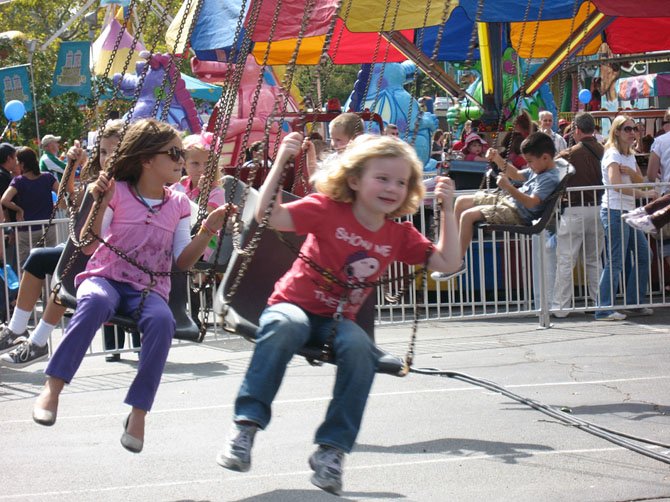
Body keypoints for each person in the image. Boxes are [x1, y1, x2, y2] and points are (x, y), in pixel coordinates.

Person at [216, 132, 461, 495]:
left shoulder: (399, 234)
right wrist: (282, 161)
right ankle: (246, 426)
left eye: (400, 182)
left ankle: (331, 451)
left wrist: (448, 209)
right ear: (354, 180)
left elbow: (448, 261)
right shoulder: (326, 209)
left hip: (337, 324)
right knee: (285, 327)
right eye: (382, 178)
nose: (391, 187)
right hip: (292, 306)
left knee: (362, 351)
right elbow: (270, 217)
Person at [31, 119, 235, 454]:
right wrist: (100, 201)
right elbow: (87, 247)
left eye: (182, 154)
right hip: (105, 277)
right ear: (146, 160)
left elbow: (182, 261)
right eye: (173, 153)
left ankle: (138, 414)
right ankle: (52, 389)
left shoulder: (179, 204)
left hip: (148, 289)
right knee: (94, 303)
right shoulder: (120, 192)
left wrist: (208, 231)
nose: (180, 160)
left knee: (163, 321)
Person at [0, 121, 138, 367]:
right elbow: (71, 199)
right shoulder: (103, 181)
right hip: (90, 249)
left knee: (60, 270)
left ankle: (34, 340)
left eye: (113, 151)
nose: (107, 158)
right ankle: (21, 331)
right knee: (41, 260)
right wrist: (72, 165)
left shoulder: (131, 186)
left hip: (110, 257)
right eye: (103, 152)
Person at [451, 132, 561, 263]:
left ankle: (456, 261)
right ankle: (453, 248)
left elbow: (531, 203)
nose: (529, 165)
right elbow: (515, 174)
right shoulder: (539, 168)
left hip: (517, 213)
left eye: (530, 161)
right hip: (508, 201)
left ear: (545, 158)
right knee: (461, 201)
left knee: (467, 216)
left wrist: (508, 187)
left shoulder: (548, 178)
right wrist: (497, 158)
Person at [595, 115, 654, 321]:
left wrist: (631, 171)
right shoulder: (612, 154)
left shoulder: (628, 154)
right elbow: (616, 185)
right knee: (616, 261)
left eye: (634, 129)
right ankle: (603, 308)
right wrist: (644, 194)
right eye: (628, 129)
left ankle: (634, 302)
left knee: (644, 255)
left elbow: (639, 178)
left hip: (627, 211)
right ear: (617, 131)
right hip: (614, 211)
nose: (632, 132)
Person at [551, 112, 604, 317]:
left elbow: (552, 175)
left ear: (578, 130)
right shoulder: (604, 151)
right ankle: (599, 302)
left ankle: (561, 307)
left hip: (574, 209)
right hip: (599, 208)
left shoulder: (568, 154)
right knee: (594, 259)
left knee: (566, 259)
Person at [1, 147, 59, 265]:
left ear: (22, 164)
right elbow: (62, 194)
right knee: (49, 264)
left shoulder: (18, 181)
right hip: (47, 228)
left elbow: (4, 200)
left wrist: (19, 209)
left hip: (26, 230)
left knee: (26, 266)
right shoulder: (48, 177)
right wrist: (55, 205)